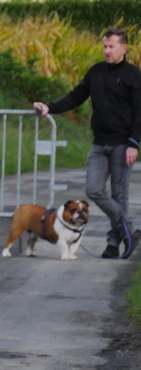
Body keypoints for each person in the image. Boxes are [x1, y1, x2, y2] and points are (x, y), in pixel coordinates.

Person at [32, 28, 141, 259]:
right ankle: (129, 231)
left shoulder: (133, 75)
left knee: (119, 196)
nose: (107, 51)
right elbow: (76, 96)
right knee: (94, 189)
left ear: (123, 48)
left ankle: (113, 244)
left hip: (123, 144)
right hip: (99, 144)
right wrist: (50, 107)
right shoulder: (97, 72)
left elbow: (139, 112)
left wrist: (134, 143)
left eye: (111, 47)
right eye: (105, 46)